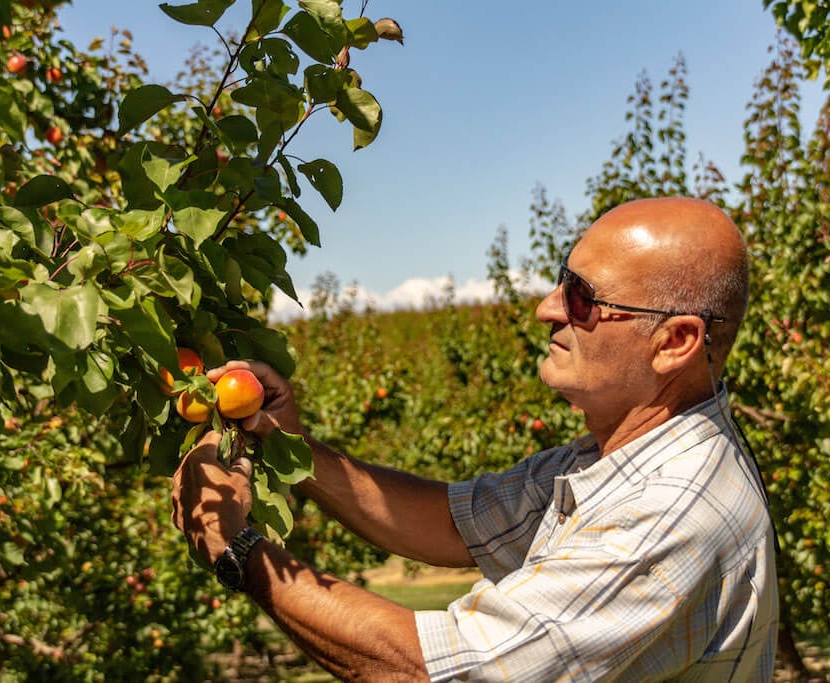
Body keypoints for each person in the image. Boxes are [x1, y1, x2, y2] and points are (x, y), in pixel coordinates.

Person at [170, 197, 778, 682]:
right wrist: (289, 445)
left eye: (582, 298)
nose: (547, 309)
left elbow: (432, 670)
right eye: (562, 281)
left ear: (675, 342)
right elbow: (451, 522)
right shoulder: (611, 456)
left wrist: (234, 547)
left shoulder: (670, 508)